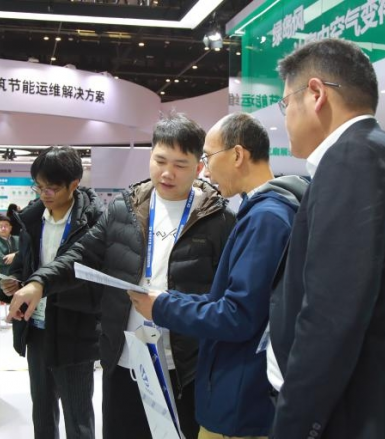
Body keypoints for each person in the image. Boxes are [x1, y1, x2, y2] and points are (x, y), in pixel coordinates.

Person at [6, 113, 236, 439]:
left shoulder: (219, 219)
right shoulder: (124, 209)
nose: (167, 172)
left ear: (199, 167)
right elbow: (82, 254)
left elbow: (226, 297)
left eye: (180, 165)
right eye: (160, 160)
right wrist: (39, 283)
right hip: (125, 359)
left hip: (184, 368)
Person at [269, 38, 385, 438]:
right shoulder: (384, 153)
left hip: (358, 414)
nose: (285, 117)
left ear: (315, 94)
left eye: (285, 103)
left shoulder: (352, 159)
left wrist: (292, 426)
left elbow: (329, 318)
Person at [128, 112, 304, 439]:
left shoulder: (266, 219)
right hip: (244, 391)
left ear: (237, 155)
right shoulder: (267, 210)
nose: (206, 171)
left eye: (208, 158)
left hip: (241, 400)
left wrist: (163, 307)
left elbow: (237, 315)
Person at [1, 146, 104, 439]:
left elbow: (91, 275)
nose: (45, 194)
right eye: (39, 186)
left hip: (75, 330)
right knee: (42, 412)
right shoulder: (32, 220)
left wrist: (42, 285)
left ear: (74, 184)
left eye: (53, 188)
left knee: (78, 417)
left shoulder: (94, 221)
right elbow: (23, 265)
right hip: (36, 327)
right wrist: (12, 284)